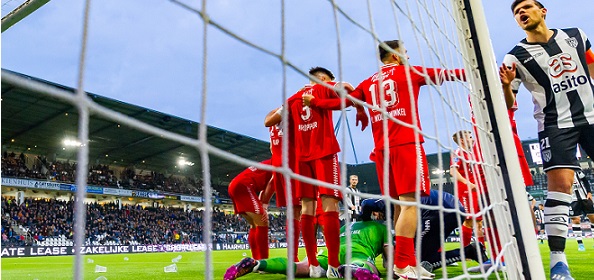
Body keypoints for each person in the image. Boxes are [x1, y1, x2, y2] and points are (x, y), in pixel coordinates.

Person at [307, 39, 464, 279]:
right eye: (405, 52)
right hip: (406, 145)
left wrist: (315, 102)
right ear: (395, 55)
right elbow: (446, 74)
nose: (408, 57)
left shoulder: (369, 81)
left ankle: (409, 262)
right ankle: (402, 264)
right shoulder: (408, 72)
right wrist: (475, 73)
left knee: (401, 207)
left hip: (382, 151)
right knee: (411, 205)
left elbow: (343, 103)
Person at [499, 1, 594, 278]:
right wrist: (506, 86)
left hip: (591, 115)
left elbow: (591, 66)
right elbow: (508, 103)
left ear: (543, 11)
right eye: (517, 12)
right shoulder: (514, 57)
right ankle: (558, 262)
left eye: (527, 7)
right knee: (560, 188)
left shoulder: (576, 34)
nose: (522, 13)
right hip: (555, 125)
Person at [284, 67, 368, 278]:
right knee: (330, 202)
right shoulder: (323, 88)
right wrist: (359, 108)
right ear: (323, 79)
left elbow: (281, 125)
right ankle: (333, 265)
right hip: (324, 152)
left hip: (301, 159)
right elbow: (349, 88)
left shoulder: (292, 99)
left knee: (307, 208)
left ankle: (313, 265)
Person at [224, 198, 390, 280]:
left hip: (330, 254)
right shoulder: (383, 228)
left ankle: (256, 263)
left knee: (301, 266)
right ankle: (353, 268)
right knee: (368, 265)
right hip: (357, 252)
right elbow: (390, 263)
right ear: (377, 214)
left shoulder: (347, 226)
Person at [264, 108, 302, 261]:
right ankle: (296, 257)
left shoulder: (271, 114)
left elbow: (271, 148)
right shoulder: (293, 111)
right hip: (292, 162)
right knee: (305, 208)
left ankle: (293, 255)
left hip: (277, 164)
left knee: (293, 211)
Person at [227, 159, 275, 260]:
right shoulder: (282, 164)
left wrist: (262, 205)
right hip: (244, 186)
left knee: (254, 224)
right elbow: (272, 184)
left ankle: (256, 260)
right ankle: (263, 262)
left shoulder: (273, 161)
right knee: (263, 222)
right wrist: (264, 206)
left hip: (235, 185)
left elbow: (265, 189)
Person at [449, 130, 485, 249]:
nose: (473, 139)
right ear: (462, 140)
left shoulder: (471, 154)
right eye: (470, 137)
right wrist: (467, 183)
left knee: (479, 222)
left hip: (476, 191)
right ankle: (466, 250)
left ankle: (482, 249)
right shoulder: (458, 153)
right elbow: (453, 171)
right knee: (469, 221)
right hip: (466, 191)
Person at [569, 169, 594, 251]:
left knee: (593, 218)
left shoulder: (577, 171)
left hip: (584, 197)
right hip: (572, 199)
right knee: (576, 220)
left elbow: (585, 181)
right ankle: (580, 244)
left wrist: (589, 192)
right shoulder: (560, 173)